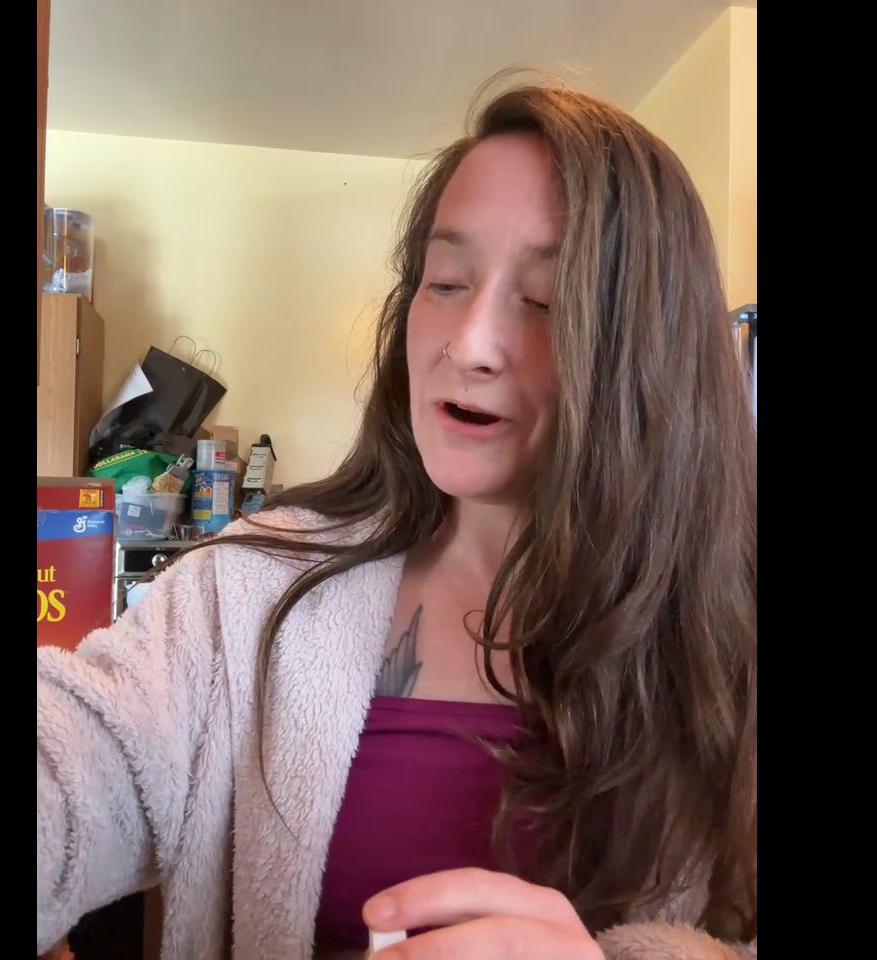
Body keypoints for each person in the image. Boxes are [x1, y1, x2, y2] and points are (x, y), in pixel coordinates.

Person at [37, 75, 757, 960]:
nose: (469, 344)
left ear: (651, 348)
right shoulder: (247, 590)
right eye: (446, 282)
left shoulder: (732, 635)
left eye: (547, 300)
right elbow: (74, 754)